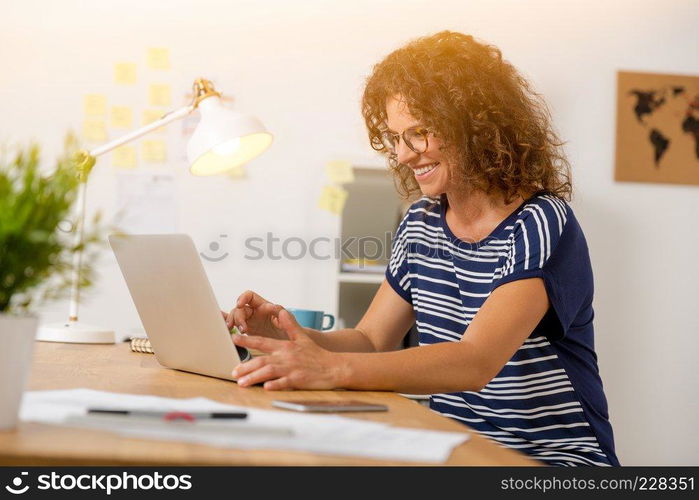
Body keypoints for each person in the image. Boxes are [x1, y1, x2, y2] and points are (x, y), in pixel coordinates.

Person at [224, 31, 619, 467]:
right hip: (455, 452)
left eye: (419, 132)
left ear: (475, 125)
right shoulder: (421, 223)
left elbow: (475, 361)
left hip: (555, 461)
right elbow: (371, 340)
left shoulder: (541, 222)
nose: (404, 154)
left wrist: (331, 369)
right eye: (395, 136)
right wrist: (284, 336)